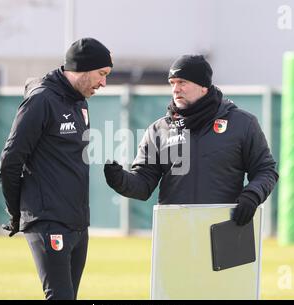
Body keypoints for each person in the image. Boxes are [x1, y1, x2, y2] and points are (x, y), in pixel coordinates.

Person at [0, 38, 113, 300]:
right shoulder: (41, 100)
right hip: (48, 221)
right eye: (102, 74)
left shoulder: (80, 103)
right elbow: (9, 163)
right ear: (83, 68)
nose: (104, 83)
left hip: (77, 224)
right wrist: (18, 213)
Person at [104, 55, 278, 226]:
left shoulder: (242, 123)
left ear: (203, 86)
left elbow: (266, 170)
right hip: (176, 231)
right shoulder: (159, 130)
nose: (176, 89)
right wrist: (120, 180)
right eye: (172, 83)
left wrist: (252, 195)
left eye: (182, 82)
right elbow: (143, 185)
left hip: (224, 228)